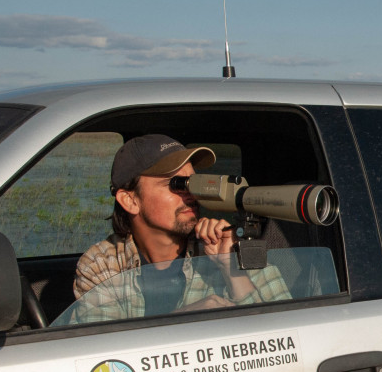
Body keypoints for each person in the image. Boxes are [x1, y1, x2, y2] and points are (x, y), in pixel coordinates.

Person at [71, 134, 289, 321]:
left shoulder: (231, 247)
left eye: (193, 182)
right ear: (130, 200)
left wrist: (233, 271)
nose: (190, 193)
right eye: (175, 184)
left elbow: (290, 335)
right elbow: (105, 359)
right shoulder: (103, 264)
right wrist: (185, 319)